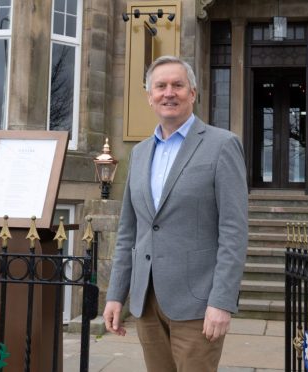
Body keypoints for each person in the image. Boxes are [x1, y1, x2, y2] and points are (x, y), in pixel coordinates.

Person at [103, 55, 249, 372]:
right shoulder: (139, 153)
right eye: (161, 86)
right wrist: (116, 295)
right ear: (149, 96)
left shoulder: (222, 145)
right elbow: (129, 232)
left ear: (192, 93)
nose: (169, 92)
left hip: (197, 304)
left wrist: (222, 301)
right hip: (147, 302)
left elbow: (234, 233)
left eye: (178, 85)